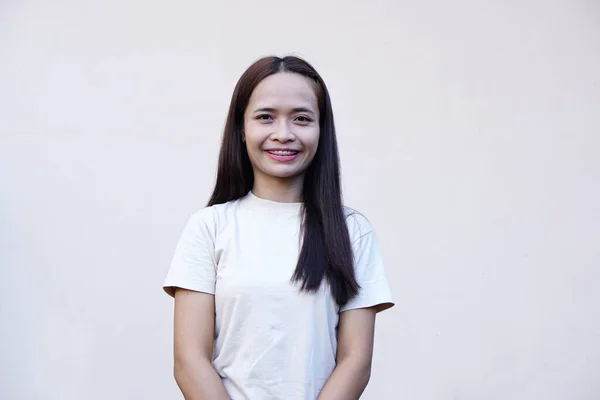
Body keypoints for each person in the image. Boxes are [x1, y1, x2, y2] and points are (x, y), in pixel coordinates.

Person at [163, 55, 394, 400]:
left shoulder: (352, 232)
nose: (283, 134)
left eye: (301, 119)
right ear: (242, 129)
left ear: (321, 130)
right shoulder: (209, 227)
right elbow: (189, 360)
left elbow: (355, 360)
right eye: (265, 117)